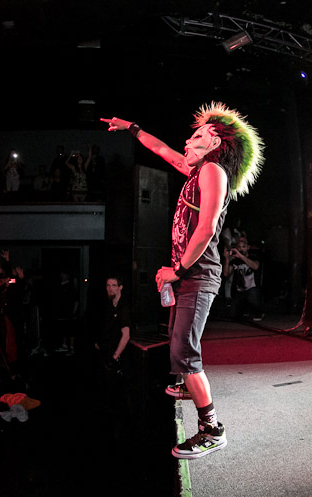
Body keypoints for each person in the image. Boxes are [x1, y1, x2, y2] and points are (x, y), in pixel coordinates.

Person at [102, 101, 264, 459]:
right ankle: (189, 386)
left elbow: (206, 229)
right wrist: (132, 129)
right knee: (178, 343)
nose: (188, 141)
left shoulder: (213, 171)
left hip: (198, 274)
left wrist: (176, 271)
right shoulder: (197, 170)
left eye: (197, 136)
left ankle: (212, 429)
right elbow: (162, 149)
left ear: (215, 142)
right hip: (188, 274)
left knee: (184, 353)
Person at [93, 276, 131, 372]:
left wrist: (114, 357)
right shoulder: (109, 304)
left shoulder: (124, 307)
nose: (110, 288)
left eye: (114, 285)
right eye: (108, 286)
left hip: (116, 355)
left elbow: (126, 335)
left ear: (120, 287)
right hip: (106, 351)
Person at [223, 236, 263, 320]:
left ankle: (257, 311)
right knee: (233, 314)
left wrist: (242, 257)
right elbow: (226, 274)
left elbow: (255, 266)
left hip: (252, 289)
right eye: (239, 247)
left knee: (253, 298)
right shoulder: (235, 260)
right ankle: (244, 310)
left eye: (243, 246)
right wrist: (227, 260)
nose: (241, 249)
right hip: (240, 291)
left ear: (248, 247)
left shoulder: (253, 256)